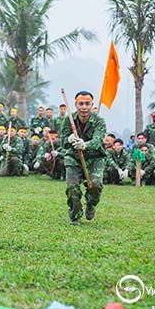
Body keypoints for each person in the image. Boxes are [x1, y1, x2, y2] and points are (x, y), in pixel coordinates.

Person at [60, 91, 107, 225]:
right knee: (72, 187)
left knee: (95, 185)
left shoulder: (99, 121)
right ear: (76, 105)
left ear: (92, 104)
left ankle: (91, 203)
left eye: (87, 103)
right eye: (81, 104)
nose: (84, 107)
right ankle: (75, 214)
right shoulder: (68, 120)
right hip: (73, 157)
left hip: (94, 157)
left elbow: (98, 140)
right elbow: (63, 141)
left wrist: (85, 144)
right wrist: (69, 139)